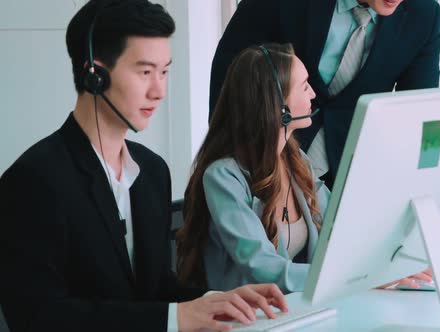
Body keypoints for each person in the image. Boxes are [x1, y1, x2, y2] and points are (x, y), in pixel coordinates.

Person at [0, 1, 286, 331]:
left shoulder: (151, 172)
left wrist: (221, 301)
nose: (159, 91)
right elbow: (38, 316)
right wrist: (173, 318)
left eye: (165, 72)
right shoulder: (33, 180)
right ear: (95, 75)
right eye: (145, 72)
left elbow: (154, 289)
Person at [177, 43, 435, 294]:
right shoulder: (223, 177)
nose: (313, 94)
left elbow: (341, 227)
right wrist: (357, 276)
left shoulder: (294, 159)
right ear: (278, 106)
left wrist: (404, 252)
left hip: (287, 312)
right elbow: (263, 268)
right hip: (242, 320)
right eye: (304, 87)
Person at [209, 0, 440, 188]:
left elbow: (420, 115)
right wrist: (236, 166)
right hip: (263, 166)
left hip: (351, 177)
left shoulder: (424, 15)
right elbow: (229, 72)